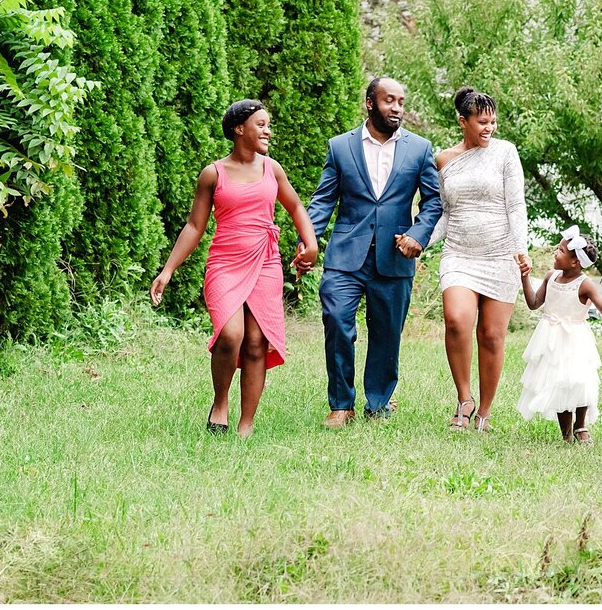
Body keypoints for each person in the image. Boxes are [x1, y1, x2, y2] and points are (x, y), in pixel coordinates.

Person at [150, 99, 317, 439]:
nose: (268, 130)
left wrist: (310, 243)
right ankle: (220, 403)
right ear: (240, 129)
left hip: (265, 261)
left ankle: (246, 424)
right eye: (261, 124)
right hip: (225, 262)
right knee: (231, 335)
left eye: (268, 124)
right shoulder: (214, 173)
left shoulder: (273, 169)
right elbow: (195, 227)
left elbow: (296, 205)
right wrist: (167, 271)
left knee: (257, 342)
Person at [301, 77, 442, 427]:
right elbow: (322, 201)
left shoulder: (420, 148)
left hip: (395, 256)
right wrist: (310, 240)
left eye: (400, 101)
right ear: (369, 103)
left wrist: (418, 235)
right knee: (336, 321)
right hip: (345, 255)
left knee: (386, 332)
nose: (396, 108)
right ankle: (341, 405)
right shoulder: (340, 147)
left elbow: (433, 202)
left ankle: (377, 403)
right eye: (388, 101)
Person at [430, 86, 530, 433]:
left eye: (493, 122)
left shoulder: (505, 153)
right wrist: (420, 240)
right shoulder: (444, 159)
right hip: (458, 251)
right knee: (456, 319)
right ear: (463, 121)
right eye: (482, 122)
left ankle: (484, 411)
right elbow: (444, 211)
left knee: (491, 335)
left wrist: (522, 247)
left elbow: (516, 204)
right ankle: (464, 398)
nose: (490, 128)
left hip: (501, 253)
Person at [517, 227, 602, 444]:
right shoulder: (550, 277)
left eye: (560, 250)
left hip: (575, 339)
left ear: (575, 262)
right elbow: (534, 303)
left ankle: (581, 426)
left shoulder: (585, 284)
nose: (555, 252)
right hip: (550, 339)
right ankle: (566, 434)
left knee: (579, 381)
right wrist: (524, 277)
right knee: (558, 383)